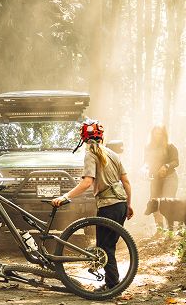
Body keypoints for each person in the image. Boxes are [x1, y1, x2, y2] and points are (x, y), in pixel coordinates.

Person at [51, 119, 133, 290]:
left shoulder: (90, 154)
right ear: (102, 137)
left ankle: (112, 286)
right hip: (121, 205)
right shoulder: (113, 154)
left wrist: (65, 197)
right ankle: (112, 284)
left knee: (105, 247)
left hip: (108, 205)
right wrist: (129, 205)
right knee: (109, 246)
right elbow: (126, 182)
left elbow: (87, 182)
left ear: (83, 139)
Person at [144, 125, 179, 230]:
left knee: (167, 202)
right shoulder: (148, 147)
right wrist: (145, 170)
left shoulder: (170, 146)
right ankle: (159, 230)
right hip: (156, 179)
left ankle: (170, 230)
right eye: (155, 133)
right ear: (152, 134)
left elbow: (176, 162)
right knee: (154, 202)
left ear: (164, 135)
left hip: (170, 177)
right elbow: (146, 162)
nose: (157, 136)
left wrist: (166, 166)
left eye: (160, 133)